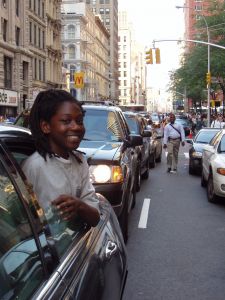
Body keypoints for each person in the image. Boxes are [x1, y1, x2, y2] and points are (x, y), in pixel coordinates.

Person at [22, 89, 100, 227]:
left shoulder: (80, 161)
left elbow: (95, 218)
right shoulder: (34, 167)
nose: (76, 127)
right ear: (46, 126)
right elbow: (26, 221)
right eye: (66, 121)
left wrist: (79, 206)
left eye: (79, 121)